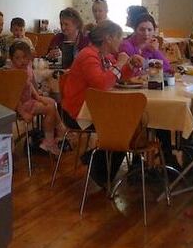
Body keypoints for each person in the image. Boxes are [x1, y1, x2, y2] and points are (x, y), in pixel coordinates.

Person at [60, 21, 141, 187]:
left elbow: (114, 77)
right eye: (119, 37)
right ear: (108, 38)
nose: (121, 40)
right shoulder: (88, 55)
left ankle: (101, 164)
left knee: (131, 122)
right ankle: (100, 167)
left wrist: (130, 66)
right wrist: (119, 64)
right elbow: (101, 84)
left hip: (94, 108)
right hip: (78, 112)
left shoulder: (102, 56)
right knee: (126, 126)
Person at [8, 41, 63, 155]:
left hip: (29, 99)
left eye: (24, 57)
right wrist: (23, 113)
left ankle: (59, 129)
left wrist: (38, 96)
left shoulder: (27, 68)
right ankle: (49, 141)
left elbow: (29, 84)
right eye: (17, 58)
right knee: (50, 109)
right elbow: (14, 96)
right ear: (11, 59)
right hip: (21, 105)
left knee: (52, 102)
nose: (22, 61)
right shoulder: (14, 73)